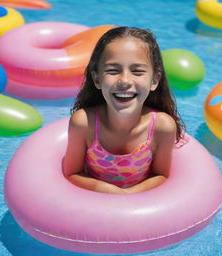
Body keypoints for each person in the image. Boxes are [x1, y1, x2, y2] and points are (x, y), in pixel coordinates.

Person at [63, 26, 185, 194]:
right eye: (113, 70)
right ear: (97, 79)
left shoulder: (162, 127)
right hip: (94, 203)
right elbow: (72, 173)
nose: (125, 80)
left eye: (137, 71)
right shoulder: (84, 123)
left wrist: (128, 195)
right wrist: (106, 190)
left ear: (154, 80)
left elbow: (160, 175)